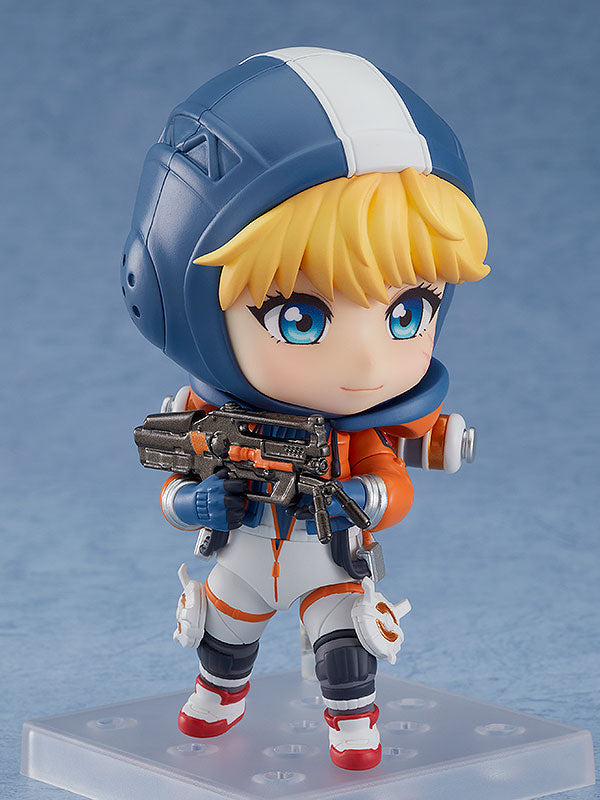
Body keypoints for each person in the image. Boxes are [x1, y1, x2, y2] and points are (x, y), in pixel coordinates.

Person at [122, 47, 490, 770]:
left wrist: (362, 497)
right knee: (223, 634)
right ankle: (219, 692)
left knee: (345, 646)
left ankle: (352, 720)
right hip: (245, 548)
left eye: (408, 311)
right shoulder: (206, 418)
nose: (366, 363)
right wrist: (196, 503)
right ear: (178, 301)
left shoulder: (351, 434)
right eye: (300, 318)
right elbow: (173, 482)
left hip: (327, 552)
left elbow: (393, 484)